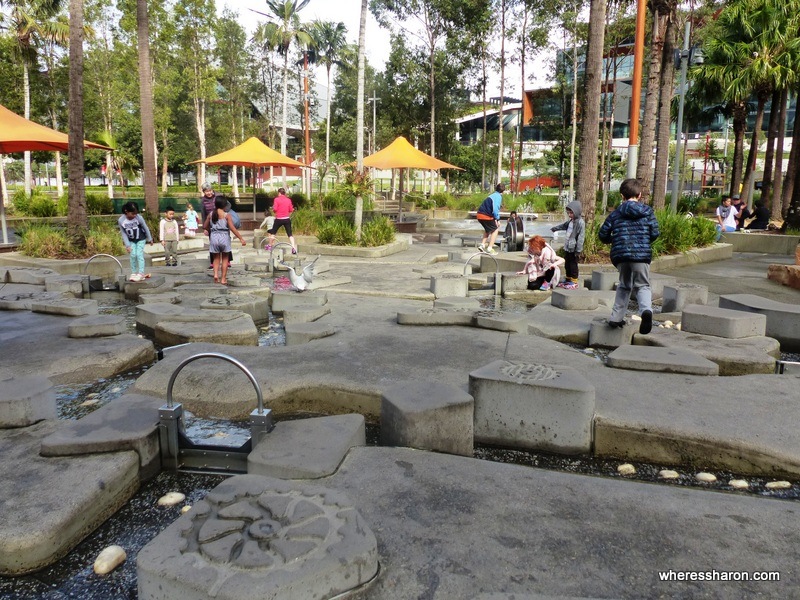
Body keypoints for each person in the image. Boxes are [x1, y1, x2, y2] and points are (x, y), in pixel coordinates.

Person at [598, 178, 660, 335]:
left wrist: (615, 240)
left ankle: (616, 317)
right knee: (643, 285)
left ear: (621, 196)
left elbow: (603, 234)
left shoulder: (616, 213)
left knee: (624, 285)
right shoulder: (647, 212)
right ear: (639, 195)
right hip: (641, 256)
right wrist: (644, 241)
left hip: (621, 255)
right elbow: (655, 233)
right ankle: (646, 310)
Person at [204, 196, 246, 285]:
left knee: (216, 259)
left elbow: (205, 226)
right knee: (225, 259)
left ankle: (215, 274)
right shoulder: (227, 215)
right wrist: (240, 238)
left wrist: (210, 229)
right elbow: (232, 228)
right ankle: (223, 279)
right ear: (224, 205)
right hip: (224, 237)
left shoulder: (211, 214)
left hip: (214, 237)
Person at [550, 200, 585, 289]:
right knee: (567, 264)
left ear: (576, 212)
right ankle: (568, 278)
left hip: (574, 249)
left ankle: (574, 280)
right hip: (568, 247)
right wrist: (555, 228)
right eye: (568, 213)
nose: (569, 215)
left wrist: (578, 250)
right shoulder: (570, 221)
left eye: (571, 213)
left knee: (573, 264)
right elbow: (563, 226)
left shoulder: (580, 222)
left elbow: (581, 237)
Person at [118, 201, 153, 282]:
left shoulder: (139, 218)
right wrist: (127, 245)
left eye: (136, 213)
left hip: (141, 238)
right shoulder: (121, 220)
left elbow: (145, 227)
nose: (134, 215)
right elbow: (123, 233)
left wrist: (150, 238)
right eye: (133, 213)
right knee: (133, 255)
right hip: (131, 240)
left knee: (139, 254)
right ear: (126, 211)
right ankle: (133, 272)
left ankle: (141, 273)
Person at [264, 188, 297, 254]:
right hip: (287, 219)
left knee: (273, 232)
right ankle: (293, 248)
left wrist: (273, 209)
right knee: (290, 234)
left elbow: (275, 209)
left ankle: (270, 245)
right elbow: (291, 209)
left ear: (279, 193)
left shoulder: (276, 199)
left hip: (279, 219)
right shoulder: (288, 200)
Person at [476, 183, 505, 255]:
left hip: (479, 215)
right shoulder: (498, 196)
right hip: (486, 216)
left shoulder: (492, 195)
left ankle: (482, 245)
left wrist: (495, 218)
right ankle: (490, 248)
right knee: (495, 229)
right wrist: (497, 219)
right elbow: (495, 209)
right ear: (503, 191)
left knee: (488, 229)